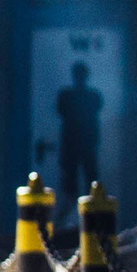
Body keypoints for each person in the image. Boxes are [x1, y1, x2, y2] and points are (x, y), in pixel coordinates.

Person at [55, 61, 103, 206]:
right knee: (72, 184)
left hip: (83, 145)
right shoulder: (84, 97)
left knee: (89, 183)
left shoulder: (89, 97)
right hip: (75, 145)